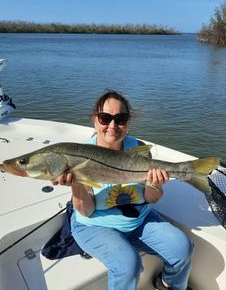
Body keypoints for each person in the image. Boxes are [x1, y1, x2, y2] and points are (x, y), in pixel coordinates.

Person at [53, 90, 194, 290]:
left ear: (128, 122)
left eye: (120, 119)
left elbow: (151, 198)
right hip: (94, 224)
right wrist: (77, 184)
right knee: (128, 265)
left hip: (138, 219)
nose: (112, 125)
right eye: (105, 118)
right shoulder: (78, 154)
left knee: (183, 249)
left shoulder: (139, 148)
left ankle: (168, 284)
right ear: (95, 119)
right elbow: (86, 211)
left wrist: (155, 184)